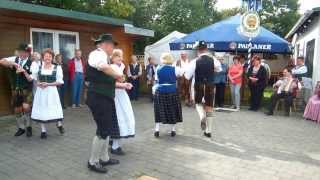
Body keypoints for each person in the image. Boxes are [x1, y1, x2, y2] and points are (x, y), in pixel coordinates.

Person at [86, 33, 122, 173]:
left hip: (104, 97)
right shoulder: (97, 54)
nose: (113, 47)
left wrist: (121, 84)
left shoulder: (104, 56)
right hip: (98, 97)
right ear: (105, 45)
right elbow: (103, 67)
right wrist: (118, 75)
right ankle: (93, 162)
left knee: (106, 128)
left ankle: (104, 158)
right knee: (102, 129)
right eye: (112, 45)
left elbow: (105, 77)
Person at [185, 41, 222, 138]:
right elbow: (219, 69)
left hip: (199, 85)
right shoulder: (213, 59)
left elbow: (187, 76)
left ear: (198, 50)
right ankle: (208, 131)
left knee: (198, 103)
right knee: (209, 107)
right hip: (210, 85)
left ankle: (202, 116)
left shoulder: (194, 61)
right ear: (206, 49)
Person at [0, 43, 33, 137]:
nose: (23, 54)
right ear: (18, 52)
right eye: (22, 52)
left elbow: (32, 78)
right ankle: (21, 128)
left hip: (27, 89)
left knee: (26, 107)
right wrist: (14, 64)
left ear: (28, 53)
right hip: (15, 89)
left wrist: (24, 71)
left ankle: (29, 126)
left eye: (26, 52)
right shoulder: (14, 59)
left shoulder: (32, 63)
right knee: (17, 109)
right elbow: (1, 61)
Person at [110, 49, 135, 155]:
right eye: (117, 56)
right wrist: (124, 84)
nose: (120, 58)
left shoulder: (120, 66)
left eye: (121, 56)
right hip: (115, 96)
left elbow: (121, 80)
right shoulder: (112, 67)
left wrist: (124, 83)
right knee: (119, 118)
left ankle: (116, 144)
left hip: (121, 94)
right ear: (113, 58)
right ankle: (115, 146)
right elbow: (112, 83)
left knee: (123, 117)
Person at [153, 52, 183, 138]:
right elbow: (181, 74)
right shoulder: (175, 68)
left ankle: (157, 130)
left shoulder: (158, 68)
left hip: (160, 91)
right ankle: (173, 130)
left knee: (159, 111)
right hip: (172, 92)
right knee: (172, 110)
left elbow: (157, 80)